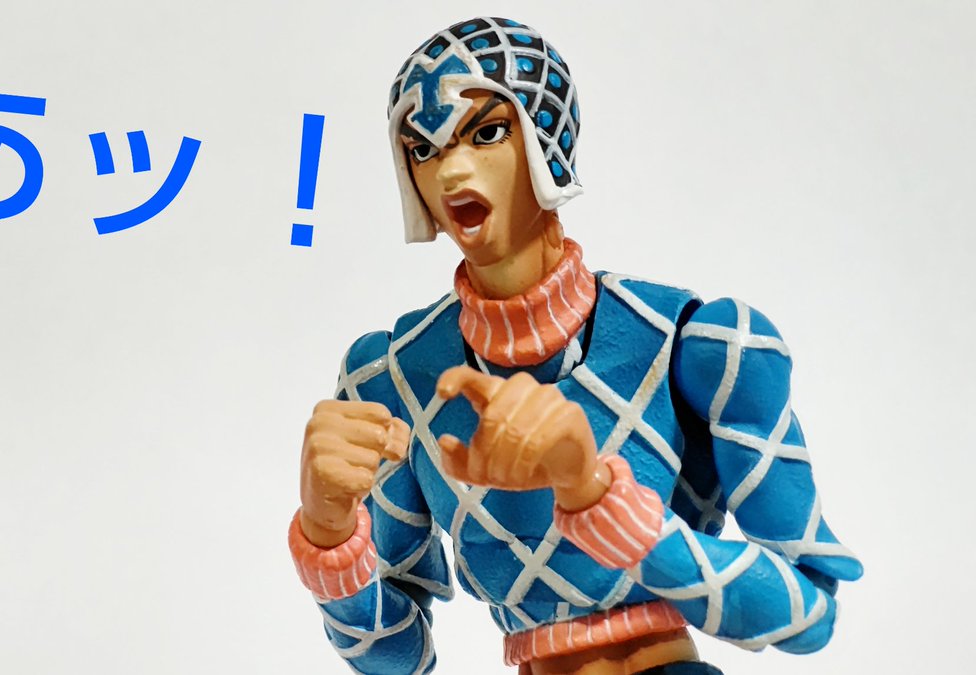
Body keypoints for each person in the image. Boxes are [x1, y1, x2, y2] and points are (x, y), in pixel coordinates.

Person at [288, 17, 862, 675]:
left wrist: (594, 493)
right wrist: (328, 537)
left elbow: (808, 612)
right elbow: (400, 658)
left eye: (487, 132)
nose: (451, 170)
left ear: (545, 137)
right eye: (423, 147)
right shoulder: (394, 376)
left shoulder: (692, 343)